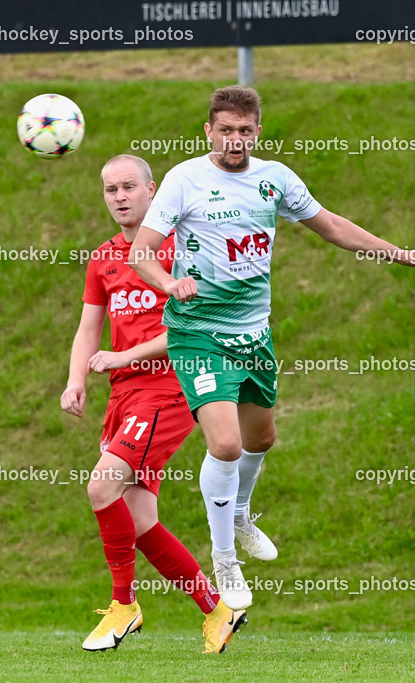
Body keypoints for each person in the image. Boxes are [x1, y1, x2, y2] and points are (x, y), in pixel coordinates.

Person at [130, 86, 415, 610]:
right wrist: (168, 282)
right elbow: (141, 252)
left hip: (253, 335)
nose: (235, 139)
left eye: (244, 130)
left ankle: (241, 512)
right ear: (209, 131)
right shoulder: (185, 180)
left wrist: (403, 254)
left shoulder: (275, 180)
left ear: (257, 131)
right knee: (225, 445)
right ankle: (225, 559)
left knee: (261, 440)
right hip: (197, 333)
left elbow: (333, 227)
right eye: (225, 129)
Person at [61, 154, 246, 654]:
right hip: (123, 394)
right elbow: (87, 328)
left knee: (102, 486)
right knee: (139, 521)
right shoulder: (103, 259)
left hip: (168, 389)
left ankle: (124, 605)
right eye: (109, 190)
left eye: (128, 187)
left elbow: (185, 330)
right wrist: (76, 379)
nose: (119, 197)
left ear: (152, 189)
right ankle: (218, 609)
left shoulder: (182, 250)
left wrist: (124, 354)